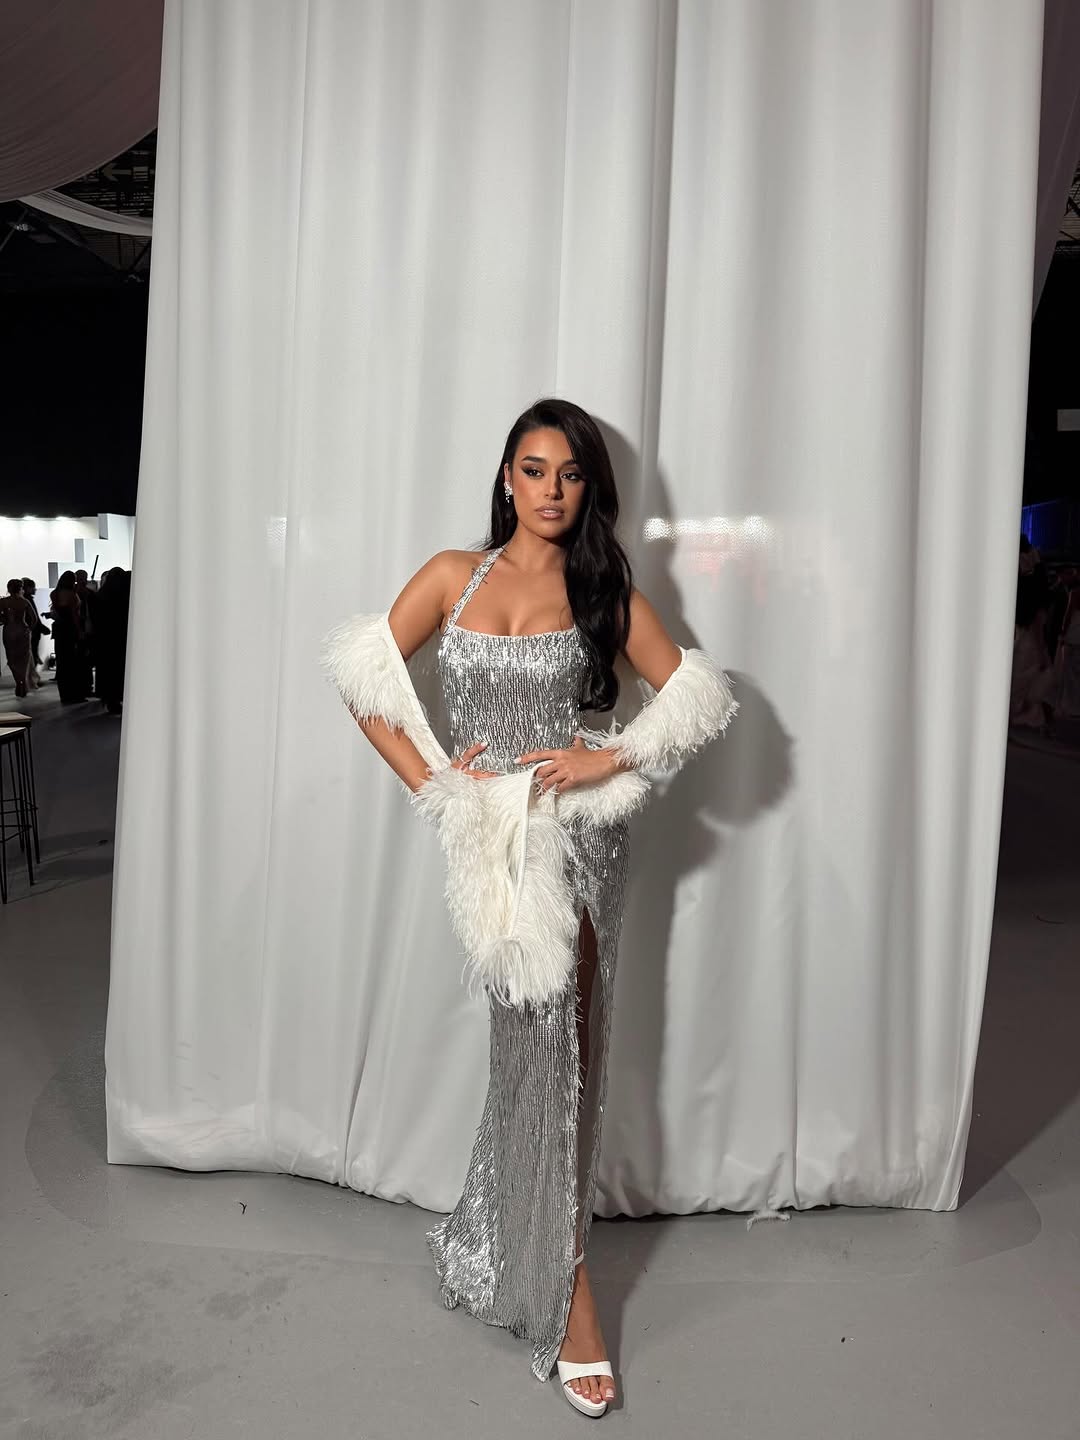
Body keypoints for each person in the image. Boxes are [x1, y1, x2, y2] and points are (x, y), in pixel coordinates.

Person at [322, 398, 737, 1417]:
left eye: (571, 473)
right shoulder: (450, 576)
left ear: (589, 488)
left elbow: (696, 696)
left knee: (566, 1047)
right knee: (525, 1046)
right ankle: (509, 1234)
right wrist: (438, 785)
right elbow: (366, 682)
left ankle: (569, 1284)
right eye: (534, 469)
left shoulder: (603, 590)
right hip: (490, 847)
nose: (552, 490)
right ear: (506, 477)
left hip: (581, 841)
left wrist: (611, 755)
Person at [93, 568, 131, 713]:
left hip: (104, 639)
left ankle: (110, 699)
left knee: (107, 670)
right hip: (120, 638)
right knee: (119, 670)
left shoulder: (101, 595)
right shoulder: (123, 596)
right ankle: (117, 699)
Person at [47, 571, 90, 703]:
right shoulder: (72, 595)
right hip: (70, 629)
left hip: (59, 628)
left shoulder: (54, 594)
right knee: (72, 662)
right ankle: (74, 694)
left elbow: (56, 612)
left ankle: (64, 695)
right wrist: (80, 631)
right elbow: (74, 615)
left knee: (62, 661)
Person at [0, 579, 36, 698]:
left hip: (9, 631)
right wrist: (29, 629)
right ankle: (23, 682)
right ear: (21, 588)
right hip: (23, 630)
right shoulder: (24, 601)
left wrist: (4, 619)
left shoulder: (3, 602)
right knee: (24, 658)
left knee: (12, 659)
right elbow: (34, 618)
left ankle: (18, 682)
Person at [1056, 566, 1080, 718]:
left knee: (1070, 672)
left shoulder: (1075, 592)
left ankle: (1071, 706)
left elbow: (1068, 613)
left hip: (1074, 635)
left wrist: (1063, 631)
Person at [21, 578, 49, 676]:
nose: (35, 589)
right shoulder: (28, 600)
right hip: (33, 630)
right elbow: (34, 617)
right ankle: (32, 677)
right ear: (28, 588)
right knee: (32, 652)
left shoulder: (24, 599)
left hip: (28, 630)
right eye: (33, 587)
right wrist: (41, 627)